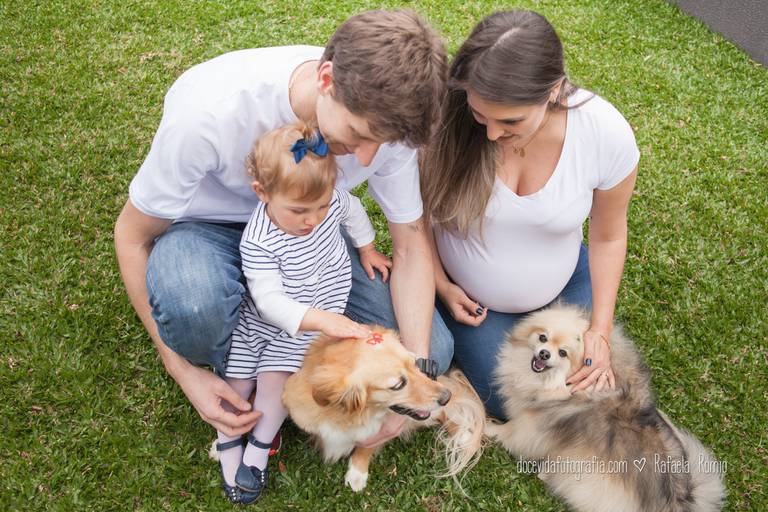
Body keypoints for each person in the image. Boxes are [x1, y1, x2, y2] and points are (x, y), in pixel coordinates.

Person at [113, 9, 449, 453]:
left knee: (433, 348)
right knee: (193, 309)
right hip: (207, 230)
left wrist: (416, 371)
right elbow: (132, 235)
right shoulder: (209, 114)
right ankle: (260, 360)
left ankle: (274, 357)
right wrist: (183, 371)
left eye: (381, 144)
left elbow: (409, 244)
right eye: (357, 136)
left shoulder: (391, 129)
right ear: (326, 78)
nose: (366, 159)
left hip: (312, 238)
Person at [420, 10, 640, 420]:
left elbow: (609, 236)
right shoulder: (446, 121)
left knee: (590, 391)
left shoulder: (603, 133)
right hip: (472, 300)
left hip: (566, 281)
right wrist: (440, 283)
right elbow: (416, 218)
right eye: (480, 115)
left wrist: (599, 332)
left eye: (511, 120)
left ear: (554, 90)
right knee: (516, 402)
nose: (490, 134)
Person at [215, 122, 389, 503]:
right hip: (272, 319)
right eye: (299, 210)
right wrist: (323, 321)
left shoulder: (333, 203)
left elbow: (354, 212)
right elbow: (270, 302)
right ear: (262, 193)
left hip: (312, 317)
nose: (313, 219)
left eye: (321, 206)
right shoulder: (258, 240)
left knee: (276, 379)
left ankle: (258, 449)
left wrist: (367, 248)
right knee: (238, 380)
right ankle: (227, 439)